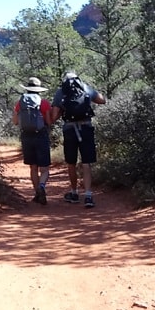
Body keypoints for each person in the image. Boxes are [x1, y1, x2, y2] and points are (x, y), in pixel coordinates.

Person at [51, 71, 106, 208]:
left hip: (69, 130)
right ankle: (88, 195)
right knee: (86, 163)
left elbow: (54, 116)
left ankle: (74, 193)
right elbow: (102, 100)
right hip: (86, 128)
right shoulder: (85, 88)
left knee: (71, 162)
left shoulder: (61, 92)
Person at [12, 77, 53, 205]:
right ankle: (41, 186)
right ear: (38, 90)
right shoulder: (44, 102)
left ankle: (37, 193)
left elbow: (15, 121)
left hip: (26, 136)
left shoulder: (20, 102)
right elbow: (49, 121)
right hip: (41, 135)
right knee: (44, 169)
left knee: (33, 167)